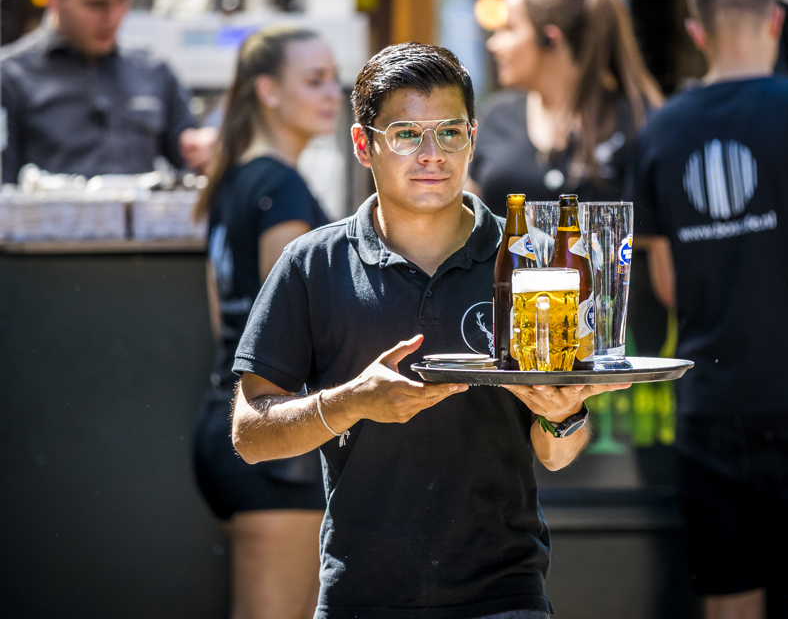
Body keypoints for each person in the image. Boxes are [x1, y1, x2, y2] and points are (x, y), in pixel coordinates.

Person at [230, 42, 630, 619]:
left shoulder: (535, 261)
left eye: (449, 133)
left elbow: (559, 453)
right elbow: (249, 433)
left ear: (472, 136)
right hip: (360, 598)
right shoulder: (312, 263)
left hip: (505, 595)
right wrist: (351, 403)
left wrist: (560, 411)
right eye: (405, 134)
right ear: (363, 145)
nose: (431, 154)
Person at [630, 0, 788, 619]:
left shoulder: (663, 129)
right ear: (776, 21)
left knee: (730, 600)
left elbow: (668, 284)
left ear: (697, 32)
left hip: (711, 402)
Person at [193, 26, 342, 619]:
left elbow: (221, 320)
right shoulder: (280, 185)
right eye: (314, 80)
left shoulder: (232, 180)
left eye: (334, 77)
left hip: (225, 424)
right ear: (268, 91)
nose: (332, 92)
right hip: (276, 440)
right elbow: (298, 320)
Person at [0, 0, 215, 183]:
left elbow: (192, 165)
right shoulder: (11, 77)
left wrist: (209, 153)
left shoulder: (153, 69)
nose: (112, 18)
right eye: (96, 4)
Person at [469, 0, 662, 216]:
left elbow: (658, 241)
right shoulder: (499, 115)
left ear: (550, 39)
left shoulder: (635, 120)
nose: (493, 44)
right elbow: (467, 219)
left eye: (508, 29)